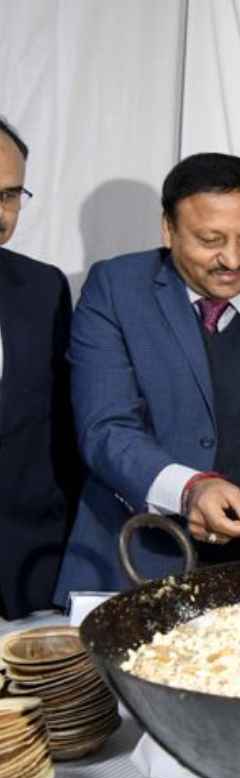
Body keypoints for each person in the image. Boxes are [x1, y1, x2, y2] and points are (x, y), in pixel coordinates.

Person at [53, 153, 240, 602]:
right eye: (210, 239)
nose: (232, 258)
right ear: (168, 229)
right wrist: (189, 490)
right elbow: (105, 428)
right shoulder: (115, 290)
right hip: (132, 563)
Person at [0, 117, 81, 619]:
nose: (0, 212)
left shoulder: (43, 288)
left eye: (10, 195)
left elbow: (64, 437)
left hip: (27, 581)